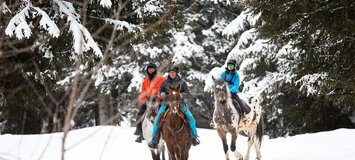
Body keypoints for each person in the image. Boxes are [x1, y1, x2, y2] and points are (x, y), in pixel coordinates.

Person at [148, 65, 200, 148]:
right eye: (170, 72)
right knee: (158, 118)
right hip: (166, 103)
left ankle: (194, 137)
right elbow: (159, 92)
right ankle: (155, 140)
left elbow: (187, 94)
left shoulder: (182, 82)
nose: (171, 74)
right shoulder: (165, 82)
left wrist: (181, 95)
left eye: (173, 72)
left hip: (179, 104)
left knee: (191, 118)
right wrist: (162, 94)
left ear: (176, 73)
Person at [134, 62, 165, 143]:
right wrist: (145, 101)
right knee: (140, 115)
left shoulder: (162, 79)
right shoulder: (145, 82)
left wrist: (161, 98)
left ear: (155, 69)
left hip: (159, 101)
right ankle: (140, 133)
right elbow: (142, 93)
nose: (151, 70)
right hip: (148, 102)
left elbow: (165, 90)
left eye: (152, 68)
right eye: (149, 69)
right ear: (147, 70)